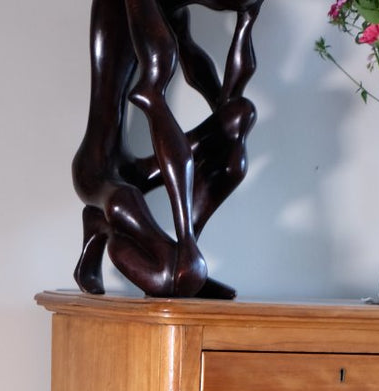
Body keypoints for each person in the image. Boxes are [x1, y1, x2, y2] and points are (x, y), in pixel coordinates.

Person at [72, 0, 263, 299]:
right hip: (96, 170)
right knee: (130, 207)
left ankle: (185, 259)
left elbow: (222, 102)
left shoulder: (171, 11)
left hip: (132, 169)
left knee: (240, 115)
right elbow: (151, 94)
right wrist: (184, 237)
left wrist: (246, 22)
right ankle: (180, 253)